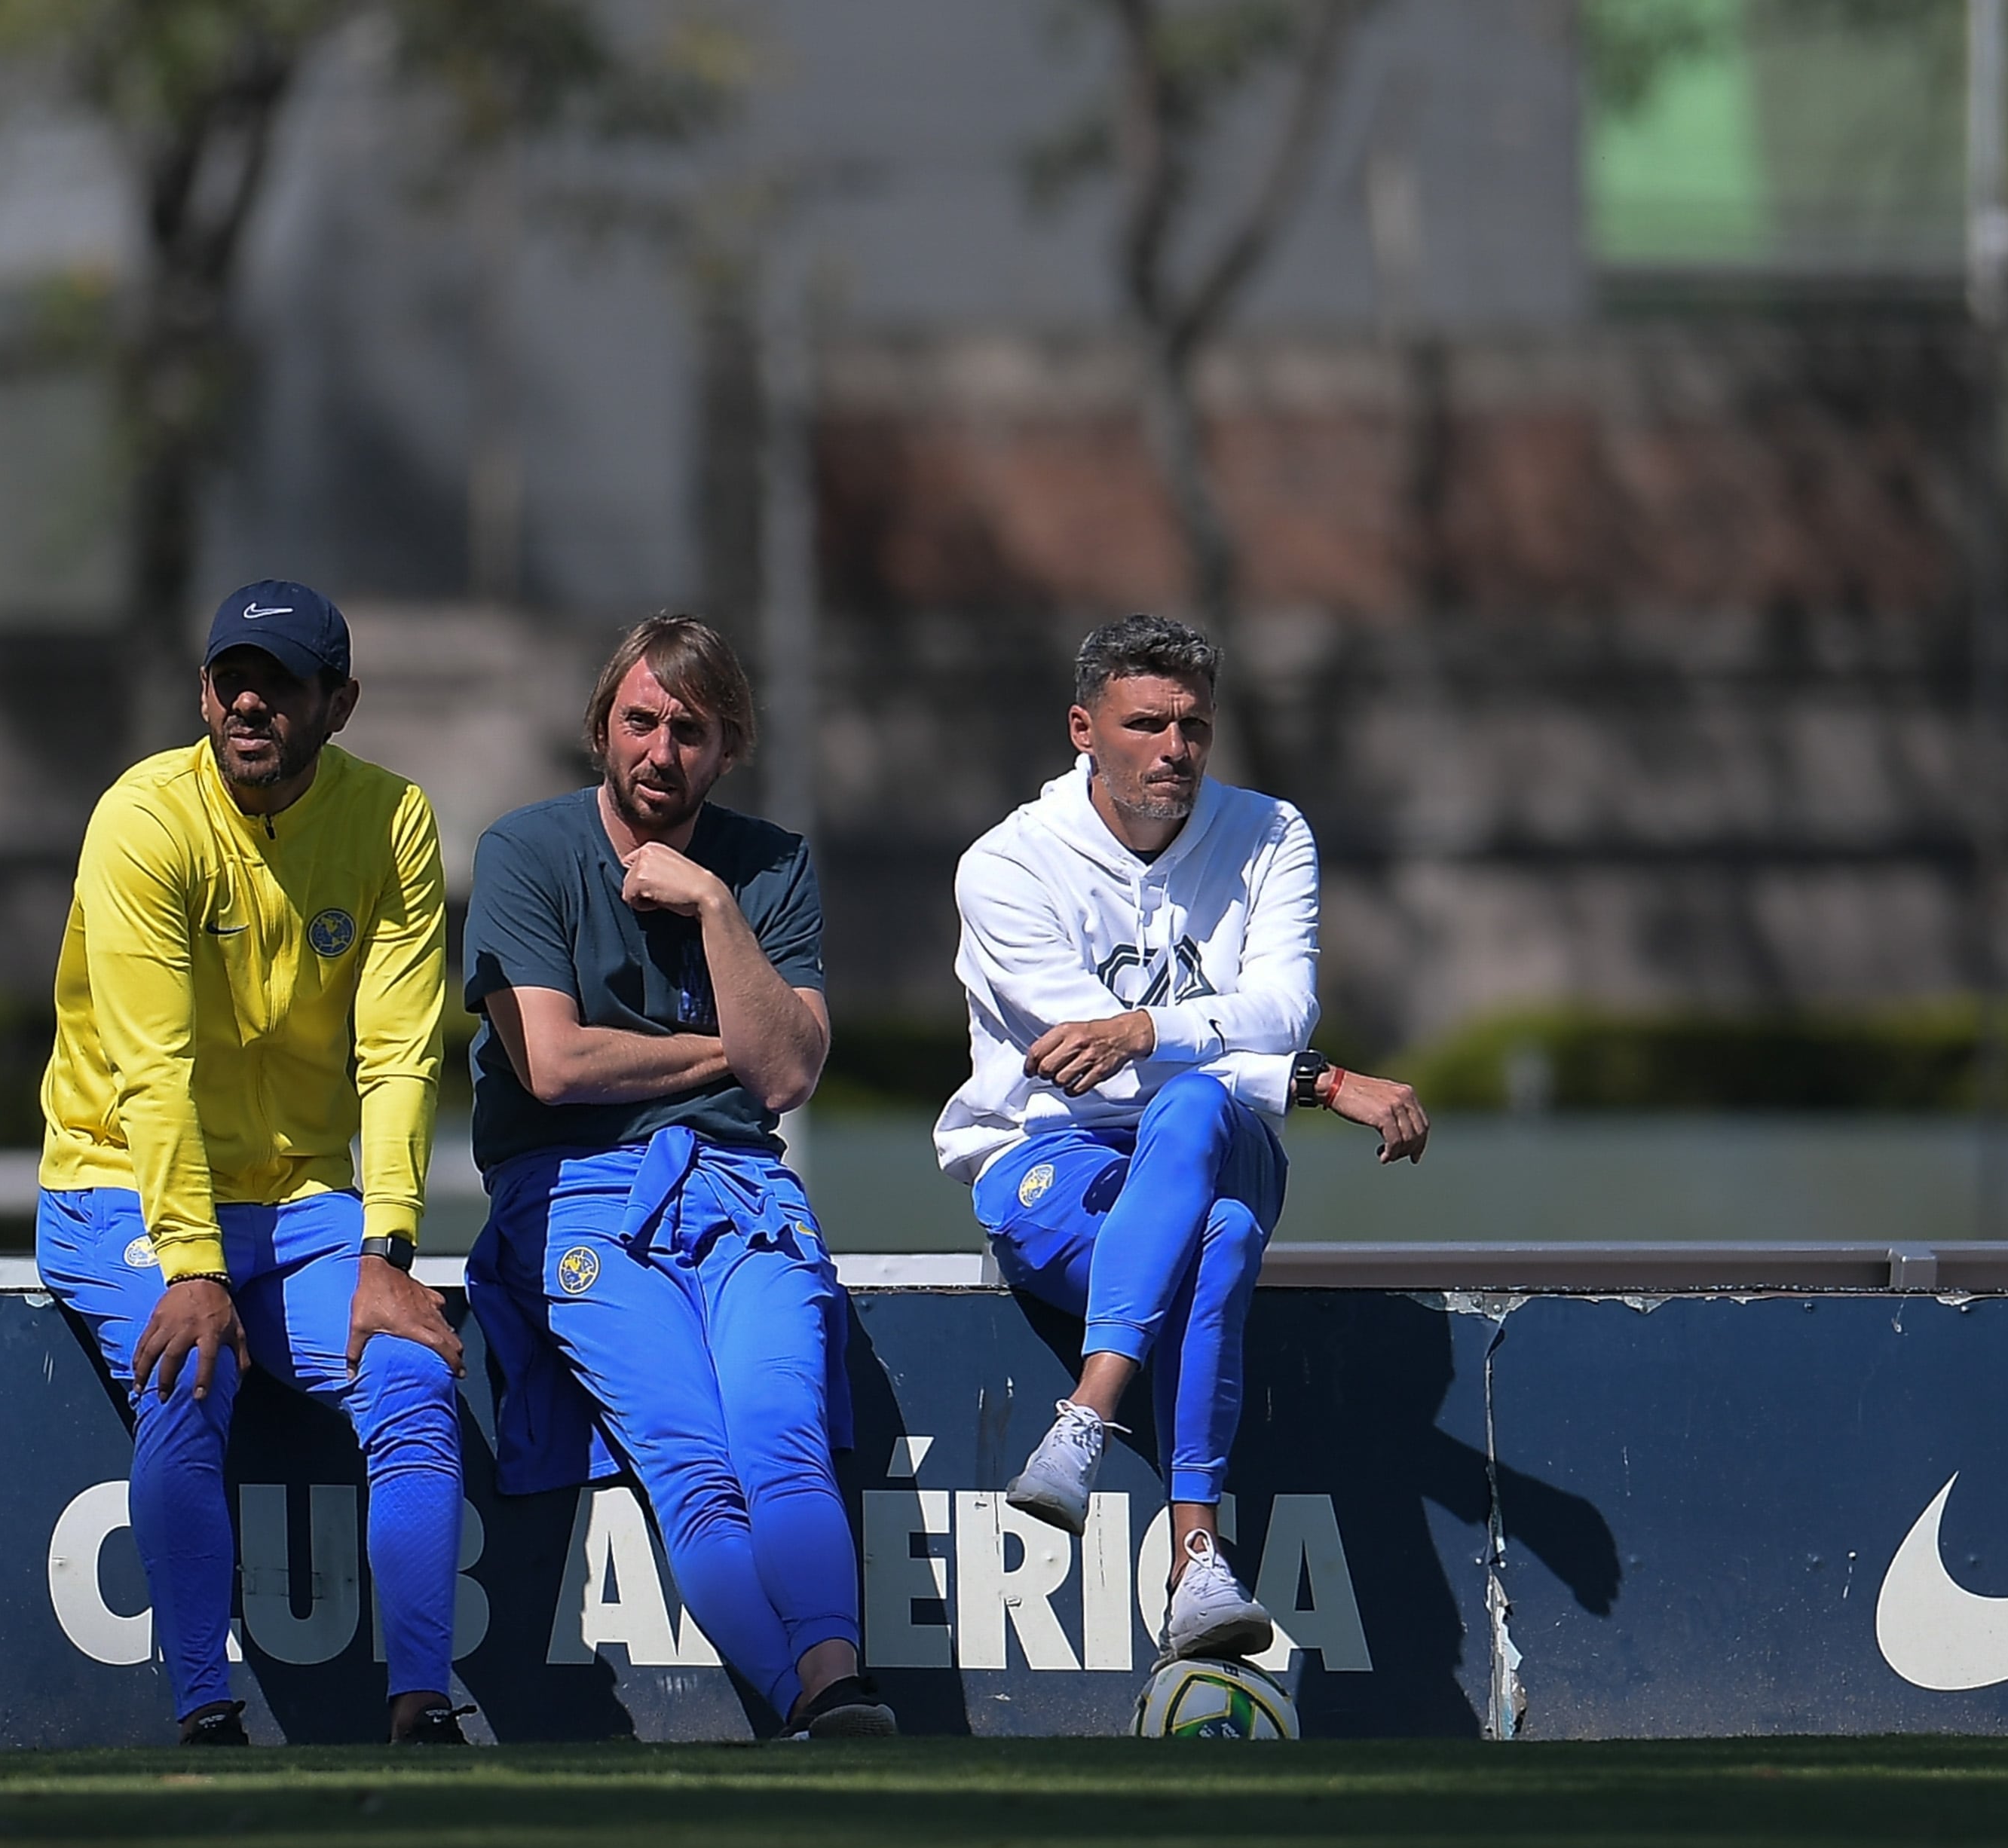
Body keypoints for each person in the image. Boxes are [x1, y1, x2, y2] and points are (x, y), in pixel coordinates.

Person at [938, 612, 1430, 1664]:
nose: (1176, 750)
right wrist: (1317, 1083)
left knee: (1197, 1110)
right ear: (1083, 728)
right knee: (1220, 1238)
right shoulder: (1005, 865)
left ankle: (1085, 1418)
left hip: (1218, 1134)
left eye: (1195, 727)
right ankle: (1196, 1560)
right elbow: (1098, 1060)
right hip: (1049, 1157)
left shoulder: (1271, 833)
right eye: (1147, 723)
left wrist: (1158, 1027)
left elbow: (1281, 1006)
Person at [35, 580, 467, 1746]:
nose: (248, 701)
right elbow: (153, 1068)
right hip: (117, 1180)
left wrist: (388, 1249)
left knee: (415, 1377)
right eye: (231, 677)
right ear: (202, 692)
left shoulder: (394, 821)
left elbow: (400, 1054)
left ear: (340, 704)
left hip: (302, 1207)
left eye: (280, 683)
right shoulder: (144, 821)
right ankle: (202, 1713)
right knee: (191, 1372)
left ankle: (422, 1709)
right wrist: (192, 1265)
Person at [459, 615, 890, 1739]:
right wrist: (723, 1053)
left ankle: (834, 1698)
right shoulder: (526, 851)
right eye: (641, 721)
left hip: (746, 1191)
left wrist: (711, 904)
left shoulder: (768, 865)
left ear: (728, 746)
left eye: (690, 731)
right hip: (582, 1193)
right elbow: (553, 1065)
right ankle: (822, 1704)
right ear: (601, 725)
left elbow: (789, 1072)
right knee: (693, 1467)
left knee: (780, 1440)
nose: (662, 752)